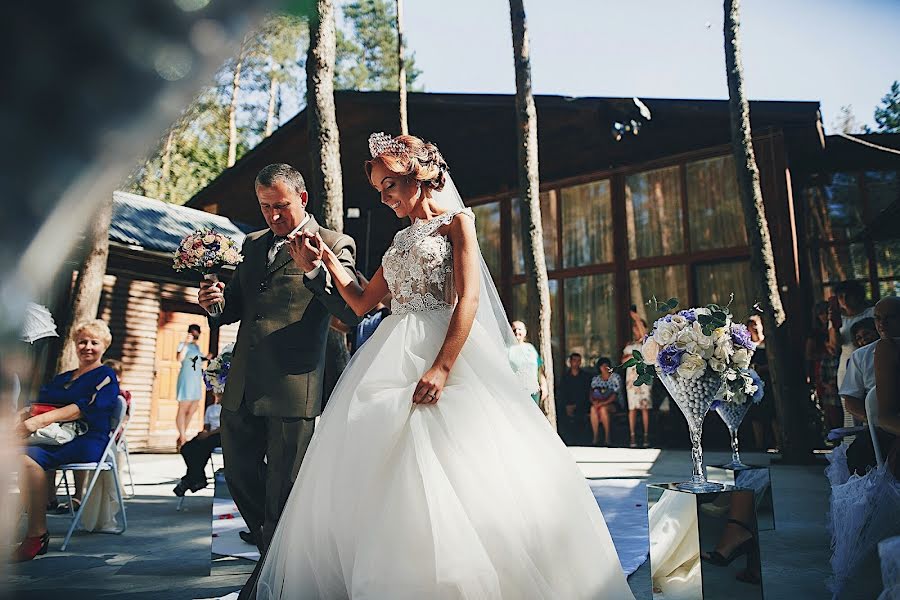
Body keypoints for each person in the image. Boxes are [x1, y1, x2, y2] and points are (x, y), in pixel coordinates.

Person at [251, 133, 635, 599]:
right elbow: (360, 304)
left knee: (457, 465)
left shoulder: (458, 223)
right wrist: (324, 264)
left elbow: (468, 298)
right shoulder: (398, 241)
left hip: (446, 354)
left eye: (390, 185)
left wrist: (443, 367)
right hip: (390, 356)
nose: (384, 196)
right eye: (378, 189)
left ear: (419, 177)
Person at [196, 163, 359, 598]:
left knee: (284, 490)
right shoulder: (250, 245)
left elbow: (348, 313)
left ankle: (273, 580)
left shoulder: (334, 243)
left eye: (281, 206)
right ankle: (276, 562)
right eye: (265, 207)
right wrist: (214, 303)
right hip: (243, 386)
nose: (273, 216)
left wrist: (313, 269)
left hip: (294, 387)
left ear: (302, 199)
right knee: (238, 475)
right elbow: (235, 307)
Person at [13, 319, 120, 562]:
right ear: (75, 344)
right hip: (56, 437)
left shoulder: (105, 376)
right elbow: (38, 402)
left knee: (27, 459)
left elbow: (84, 408)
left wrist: (38, 422)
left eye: (94, 342)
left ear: (105, 345)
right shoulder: (65, 377)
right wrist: (22, 417)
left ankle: (36, 534)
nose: (87, 347)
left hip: (87, 438)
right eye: (82, 341)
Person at [840, 298, 900, 474]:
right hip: (881, 424)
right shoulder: (861, 356)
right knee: (859, 454)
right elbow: (850, 400)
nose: (883, 323)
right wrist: (874, 420)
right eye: (878, 318)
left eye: (891, 317)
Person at [829, 282, 875, 427]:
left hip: (872, 363)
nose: (844, 299)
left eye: (849, 295)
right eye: (841, 296)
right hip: (847, 366)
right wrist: (835, 326)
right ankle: (853, 444)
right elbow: (834, 348)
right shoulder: (837, 319)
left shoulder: (872, 312)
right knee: (850, 406)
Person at [173, 394, 222, 496]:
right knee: (187, 448)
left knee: (203, 448)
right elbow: (207, 425)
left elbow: (225, 426)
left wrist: (208, 434)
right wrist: (204, 433)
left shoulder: (228, 409)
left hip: (221, 436)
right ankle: (198, 478)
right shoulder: (210, 408)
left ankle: (189, 480)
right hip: (209, 434)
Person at [806, 301, 841, 432]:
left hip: (838, 364)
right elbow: (809, 354)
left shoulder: (837, 327)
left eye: (826, 313)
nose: (824, 316)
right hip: (822, 366)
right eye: (821, 314)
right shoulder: (815, 333)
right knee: (828, 401)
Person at [746, 315, 779, 451]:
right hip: (754, 384)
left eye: (756, 325)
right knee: (756, 415)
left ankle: (779, 443)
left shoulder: (770, 344)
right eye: (751, 325)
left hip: (770, 383)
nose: (754, 328)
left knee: (773, 413)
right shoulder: (748, 347)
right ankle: (759, 444)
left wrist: (763, 368)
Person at [175, 324, 207, 451]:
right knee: (183, 408)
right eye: (193, 333)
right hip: (186, 379)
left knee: (193, 408)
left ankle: (182, 434)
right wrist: (186, 343)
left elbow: (196, 361)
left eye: (196, 333)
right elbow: (179, 358)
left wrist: (206, 358)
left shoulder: (197, 347)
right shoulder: (184, 345)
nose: (194, 335)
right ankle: (183, 438)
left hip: (195, 380)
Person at [622, 309, 651, 447]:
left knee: (645, 407)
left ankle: (646, 436)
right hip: (631, 379)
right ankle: (632, 436)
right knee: (632, 408)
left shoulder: (647, 342)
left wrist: (637, 319)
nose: (636, 331)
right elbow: (623, 361)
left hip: (644, 378)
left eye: (637, 328)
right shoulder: (630, 345)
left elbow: (644, 335)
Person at [508, 320, 548, 406]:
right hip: (515, 393)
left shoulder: (531, 348)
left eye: (519, 329)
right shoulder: (507, 349)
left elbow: (539, 368)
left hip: (533, 391)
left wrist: (544, 386)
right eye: (514, 329)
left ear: (525, 332)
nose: (517, 331)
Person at [557, 352, 593, 445]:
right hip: (567, 405)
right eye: (574, 361)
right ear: (570, 362)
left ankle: (581, 440)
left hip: (581, 404)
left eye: (578, 361)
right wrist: (567, 405)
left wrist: (576, 405)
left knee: (580, 416)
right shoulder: (565, 377)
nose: (576, 363)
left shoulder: (585, 377)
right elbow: (562, 393)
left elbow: (586, 393)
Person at [590, 357, 622, 447]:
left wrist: (602, 403)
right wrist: (594, 402)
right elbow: (591, 392)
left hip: (613, 403)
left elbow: (615, 395)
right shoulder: (596, 379)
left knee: (603, 409)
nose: (604, 368)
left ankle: (607, 438)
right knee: (593, 409)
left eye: (606, 366)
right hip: (598, 402)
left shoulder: (615, 377)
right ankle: (595, 438)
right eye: (602, 366)